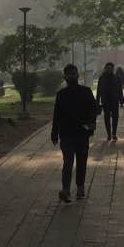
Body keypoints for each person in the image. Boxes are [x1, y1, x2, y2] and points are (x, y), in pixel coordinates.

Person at [51, 63, 97, 202]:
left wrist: (91, 124)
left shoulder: (86, 92)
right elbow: (57, 115)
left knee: (81, 162)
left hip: (82, 133)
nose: (71, 76)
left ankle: (80, 187)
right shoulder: (61, 94)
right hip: (66, 134)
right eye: (69, 74)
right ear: (65, 77)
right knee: (68, 162)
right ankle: (66, 190)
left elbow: (93, 109)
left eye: (73, 74)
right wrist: (54, 133)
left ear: (78, 75)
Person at [96, 61, 123, 142]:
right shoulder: (102, 78)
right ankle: (108, 134)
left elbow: (120, 89)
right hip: (105, 101)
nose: (109, 70)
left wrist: (121, 100)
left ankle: (114, 133)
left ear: (113, 69)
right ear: (105, 69)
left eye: (111, 68)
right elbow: (98, 90)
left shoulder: (116, 78)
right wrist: (97, 101)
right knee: (106, 117)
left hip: (115, 100)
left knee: (115, 117)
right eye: (107, 68)